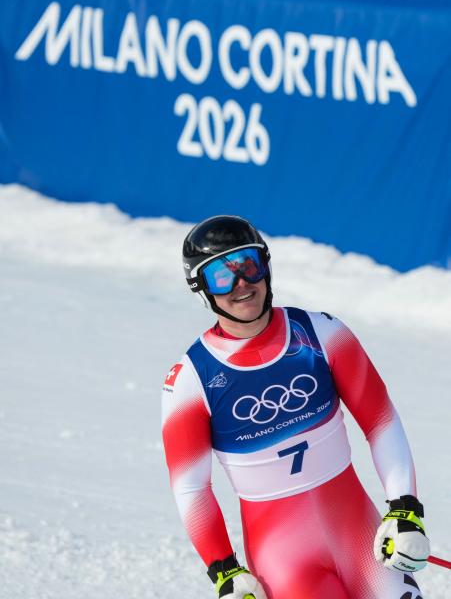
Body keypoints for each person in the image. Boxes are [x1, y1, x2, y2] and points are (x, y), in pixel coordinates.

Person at [161, 215, 430, 599]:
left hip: (360, 538)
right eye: (222, 276)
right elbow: (191, 486)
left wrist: (405, 508)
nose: (242, 284)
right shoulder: (189, 380)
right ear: (201, 288)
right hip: (284, 560)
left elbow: (380, 422)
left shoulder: (322, 333)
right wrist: (223, 569)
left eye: (249, 265)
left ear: (266, 266)